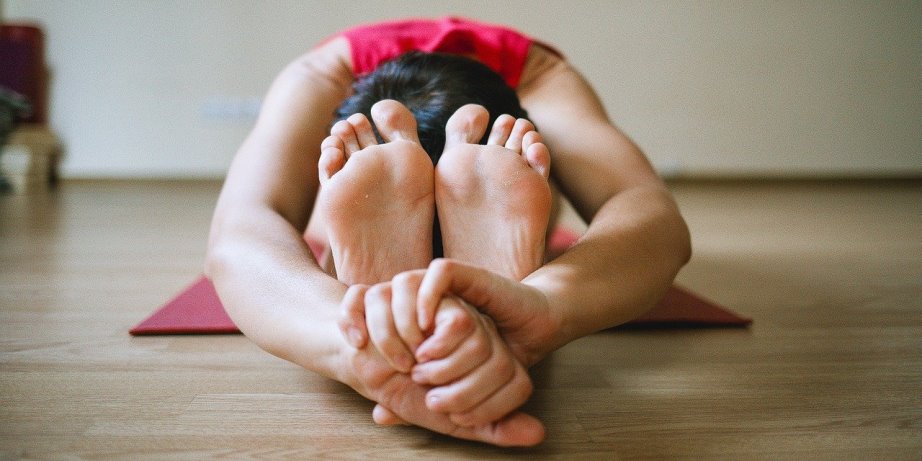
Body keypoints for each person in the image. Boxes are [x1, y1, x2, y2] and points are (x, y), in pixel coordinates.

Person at [205, 17, 691, 447]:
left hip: (476, 106)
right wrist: (548, 306)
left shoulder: (539, 80)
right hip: (460, 119)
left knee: (302, 217)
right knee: (540, 182)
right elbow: (651, 214)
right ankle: (500, 264)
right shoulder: (319, 80)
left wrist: (349, 337)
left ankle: (365, 290)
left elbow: (241, 233)